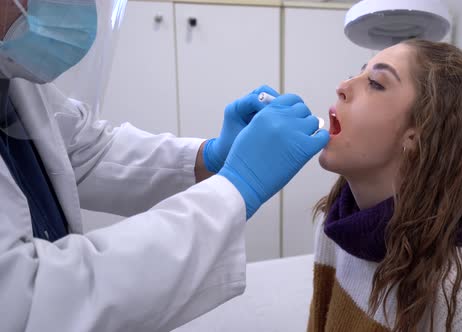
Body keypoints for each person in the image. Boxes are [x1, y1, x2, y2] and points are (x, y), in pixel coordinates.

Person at [0, 0, 329, 331]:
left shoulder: (11, 75)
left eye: (376, 82)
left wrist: (208, 158)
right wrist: (237, 185)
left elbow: (86, 150)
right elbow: (31, 306)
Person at [307, 40, 462, 331]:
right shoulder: (335, 224)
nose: (343, 85)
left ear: (417, 134)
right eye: (358, 74)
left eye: (376, 83)